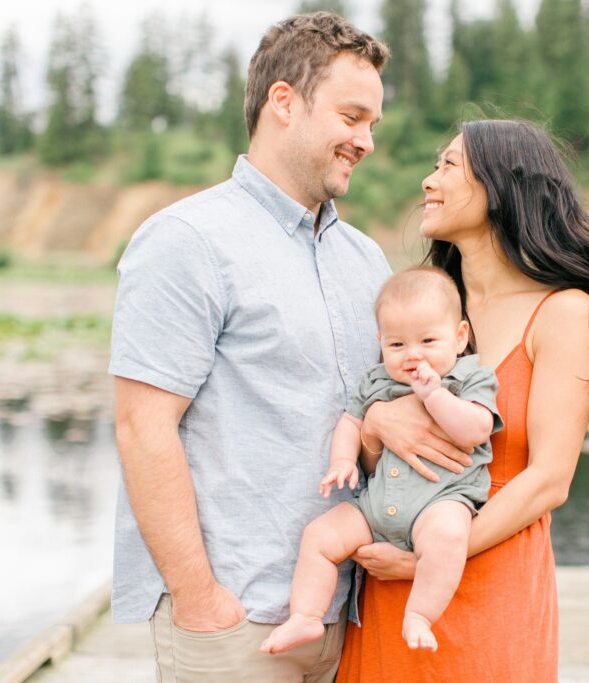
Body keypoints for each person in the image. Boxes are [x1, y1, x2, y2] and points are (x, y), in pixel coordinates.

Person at [107, 13, 467, 682]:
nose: (365, 141)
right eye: (352, 117)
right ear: (283, 102)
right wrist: (201, 600)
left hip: (345, 611)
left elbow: (358, 411)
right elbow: (141, 427)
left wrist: (380, 420)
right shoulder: (187, 240)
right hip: (234, 615)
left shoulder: (364, 259)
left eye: (372, 125)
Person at [336, 120, 589, 682]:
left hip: (485, 583)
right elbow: (373, 453)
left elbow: (549, 481)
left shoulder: (562, 311)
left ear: (500, 187)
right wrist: (379, 423)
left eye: (448, 166)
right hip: (389, 578)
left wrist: (423, 564)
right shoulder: (428, 308)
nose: (428, 180)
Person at [260, 267, 502, 656]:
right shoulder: (375, 380)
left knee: (448, 538)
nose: (413, 355)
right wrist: (342, 460)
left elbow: (475, 430)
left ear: (460, 337)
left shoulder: (470, 377)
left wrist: (435, 396)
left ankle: (420, 614)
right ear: (380, 343)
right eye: (397, 345)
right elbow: (351, 421)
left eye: (427, 340)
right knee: (320, 537)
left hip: (439, 502)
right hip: (375, 506)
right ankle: (305, 615)